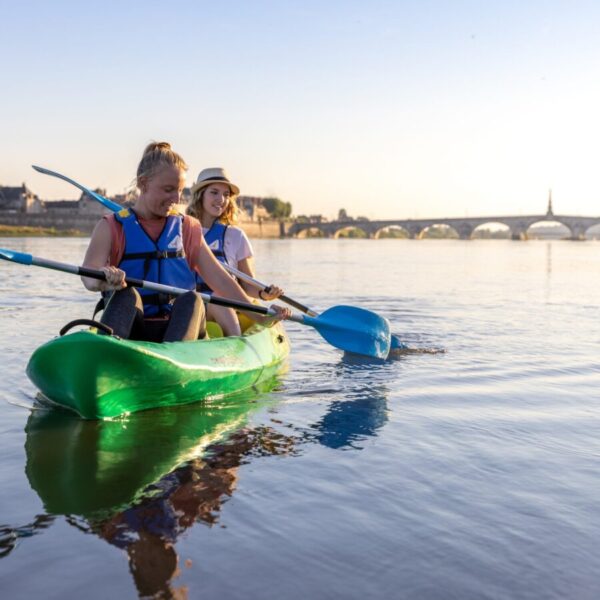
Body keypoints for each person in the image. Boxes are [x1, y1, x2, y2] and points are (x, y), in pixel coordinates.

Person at [81, 143, 288, 342]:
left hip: (178, 328)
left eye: (180, 190)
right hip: (133, 326)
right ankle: (108, 350)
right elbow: (89, 277)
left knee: (192, 299)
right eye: (168, 189)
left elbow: (223, 282)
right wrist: (105, 278)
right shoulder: (110, 227)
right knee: (125, 294)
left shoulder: (188, 228)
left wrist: (261, 316)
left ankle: (174, 360)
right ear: (143, 184)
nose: (176, 198)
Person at [187, 167, 284, 336]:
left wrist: (263, 294)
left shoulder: (235, 236)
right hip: (192, 307)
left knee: (218, 298)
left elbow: (247, 285)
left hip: (226, 307)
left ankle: (236, 343)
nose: (221, 199)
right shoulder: (182, 231)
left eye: (226, 194)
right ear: (200, 195)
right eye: (214, 192)